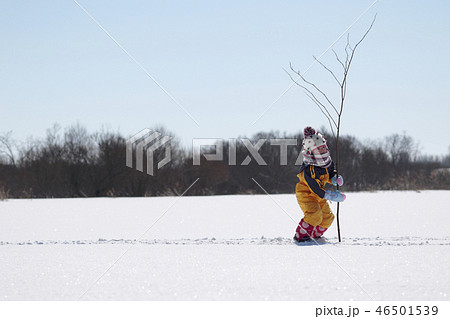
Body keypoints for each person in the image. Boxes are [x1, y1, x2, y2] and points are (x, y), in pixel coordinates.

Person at [294, 126, 346, 242]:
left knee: (327, 217)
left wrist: (334, 178)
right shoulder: (310, 168)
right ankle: (301, 236)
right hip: (307, 195)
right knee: (315, 214)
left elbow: (330, 172)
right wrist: (331, 196)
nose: (323, 149)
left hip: (320, 195)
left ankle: (315, 234)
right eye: (319, 148)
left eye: (324, 147)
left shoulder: (327, 161)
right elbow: (315, 187)